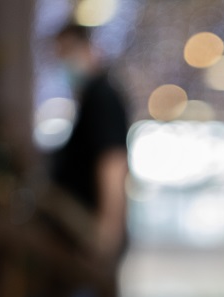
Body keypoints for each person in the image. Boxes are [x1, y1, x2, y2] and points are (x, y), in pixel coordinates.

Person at [51, 22, 129, 262]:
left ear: (87, 49)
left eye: (67, 52)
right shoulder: (91, 97)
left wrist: (107, 230)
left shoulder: (102, 97)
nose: (63, 61)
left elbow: (113, 163)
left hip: (89, 237)